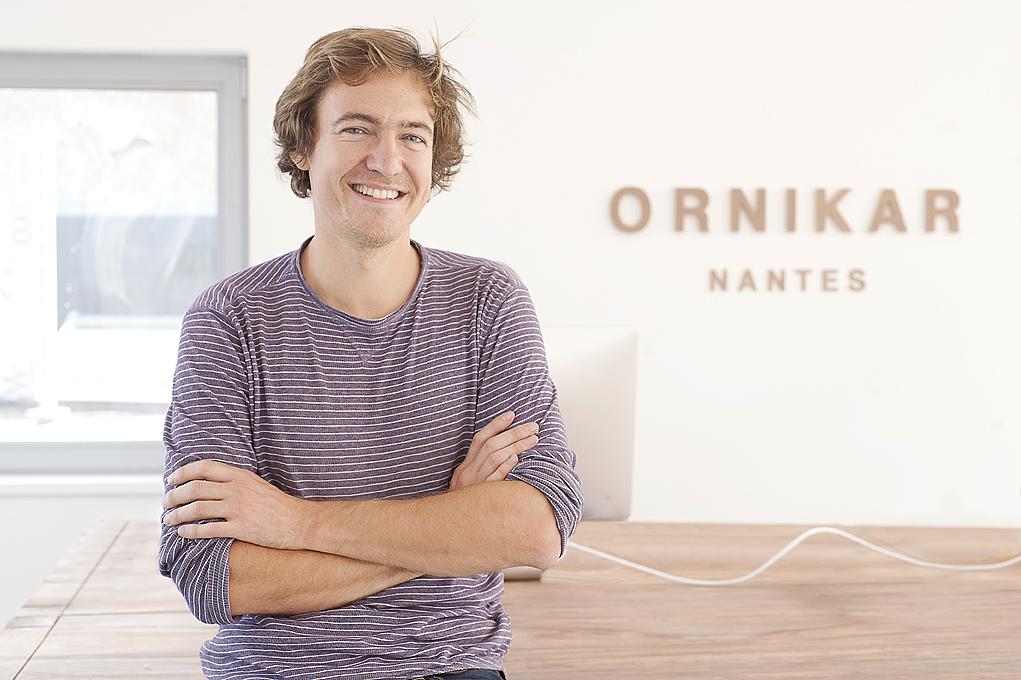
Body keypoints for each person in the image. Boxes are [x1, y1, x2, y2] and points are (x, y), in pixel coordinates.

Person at [157, 27, 584, 680]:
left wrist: (294, 523)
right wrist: (449, 528)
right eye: (357, 129)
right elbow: (214, 577)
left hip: (450, 667)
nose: (387, 161)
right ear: (303, 146)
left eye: (412, 135)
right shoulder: (228, 320)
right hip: (274, 671)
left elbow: (536, 528)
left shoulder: (487, 301)